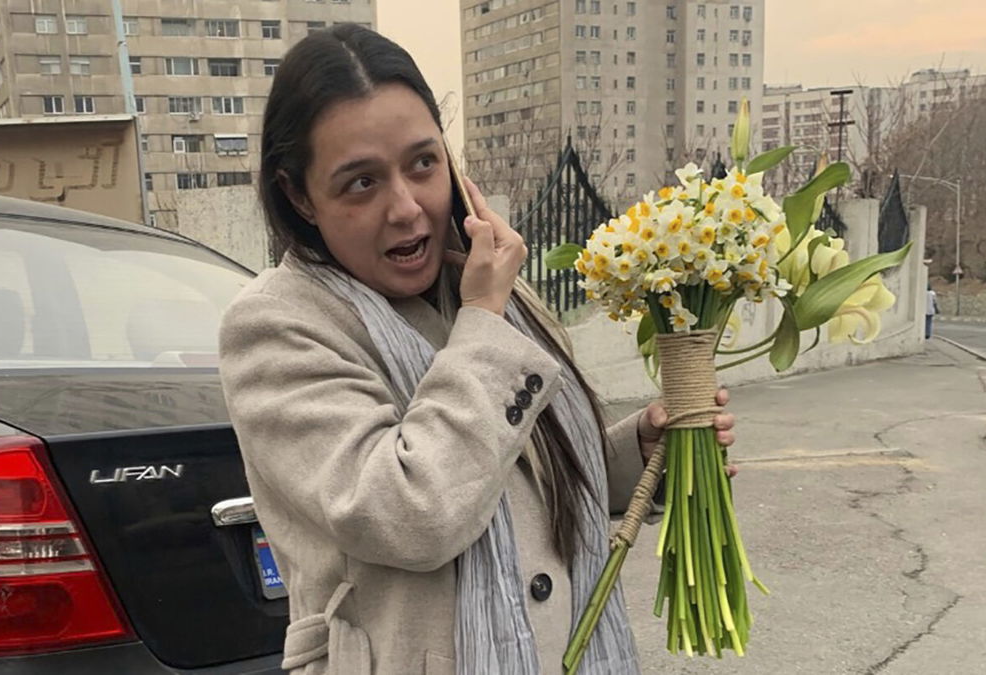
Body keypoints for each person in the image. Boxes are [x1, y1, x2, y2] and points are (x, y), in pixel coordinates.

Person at [218, 24, 737, 674]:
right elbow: (412, 509)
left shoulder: (489, 292)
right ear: (299, 195)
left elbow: (522, 482)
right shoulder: (280, 326)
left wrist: (639, 451)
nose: (406, 207)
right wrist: (485, 317)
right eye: (361, 182)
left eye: (423, 163)